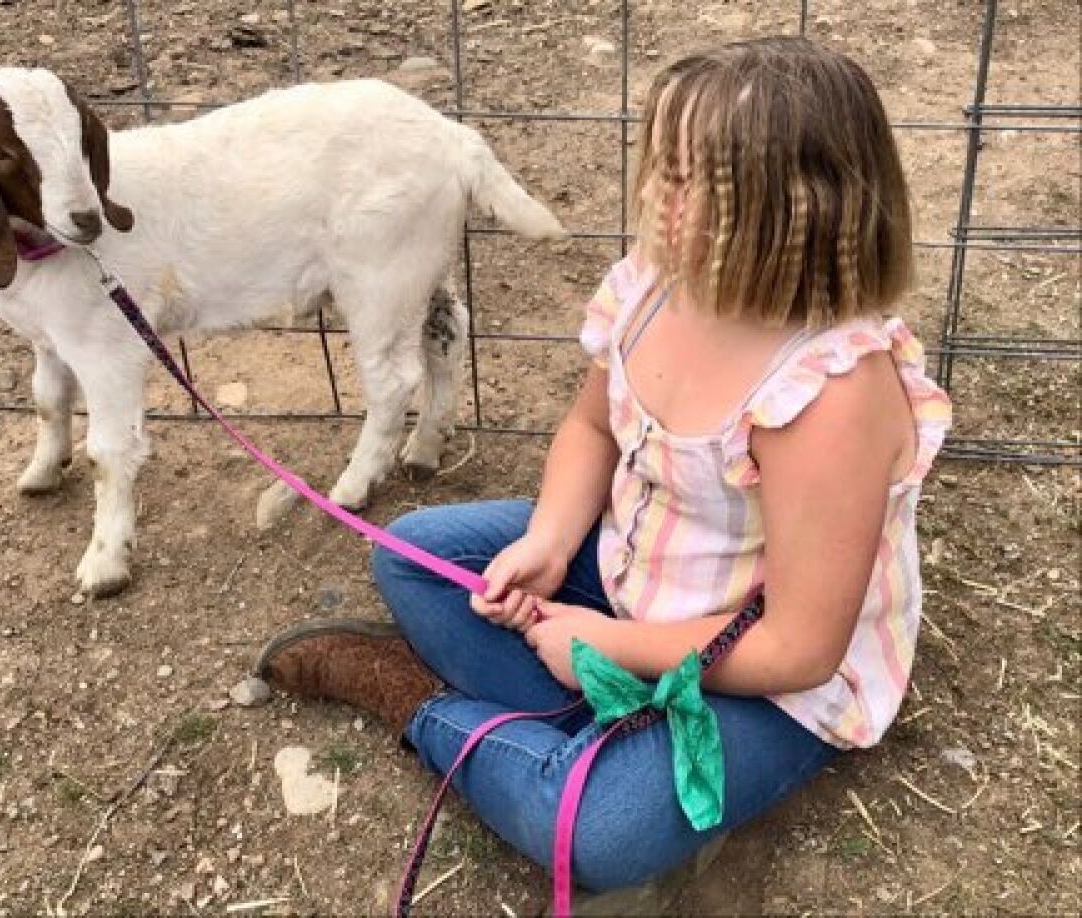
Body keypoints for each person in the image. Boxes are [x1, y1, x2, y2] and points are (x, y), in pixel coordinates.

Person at [258, 36, 952, 909]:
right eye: (661, 161)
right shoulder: (656, 283)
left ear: (801, 209)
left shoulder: (830, 392)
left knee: (598, 831)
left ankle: (416, 702)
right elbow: (592, 424)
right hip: (631, 568)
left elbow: (801, 648)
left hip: (764, 665)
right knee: (411, 554)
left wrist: (604, 645)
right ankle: (588, 720)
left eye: (696, 180)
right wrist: (549, 544)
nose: (656, 193)